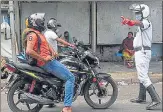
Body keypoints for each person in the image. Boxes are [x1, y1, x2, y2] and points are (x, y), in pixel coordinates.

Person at [23, 13, 75, 112]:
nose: (42, 22)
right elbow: (29, 51)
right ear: (35, 22)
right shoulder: (32, 35)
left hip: (49, 59)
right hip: (46, 62)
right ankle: (67, 107)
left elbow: (46, 44)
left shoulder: (39, 33)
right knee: (70, 77)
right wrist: (43, 59)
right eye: (41, 21)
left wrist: (53, 51)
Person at [121, 4, 161, 110]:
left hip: (143, 53)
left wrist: (130, 22)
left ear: (144, 13)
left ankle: (156, 99)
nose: (137, 15)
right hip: (140, 52)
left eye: (138, 13)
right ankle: (142, 97)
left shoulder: (146, 22)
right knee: (141, 75)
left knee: (143, 76)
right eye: (136, 13)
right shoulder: (140, 26)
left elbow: (139, 22)